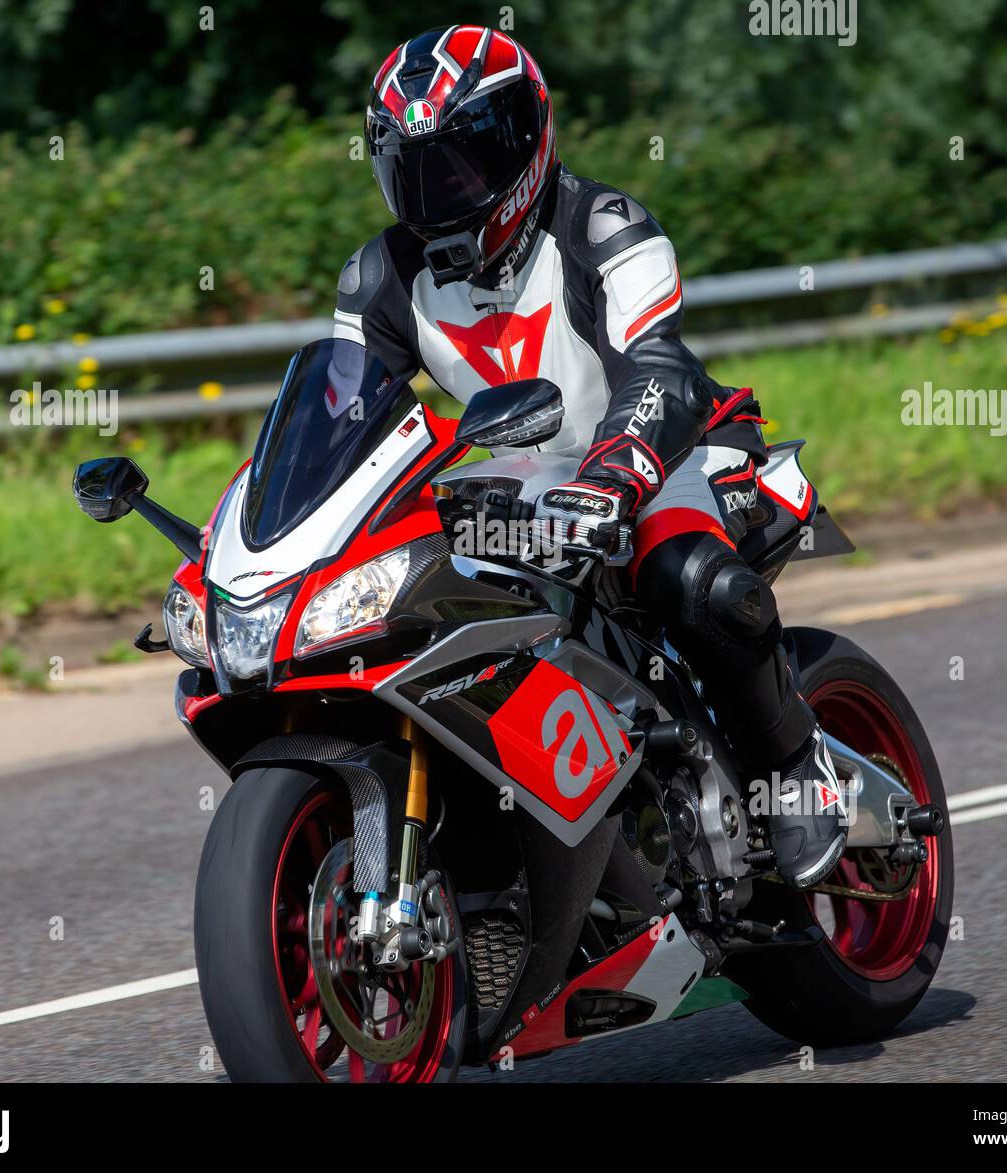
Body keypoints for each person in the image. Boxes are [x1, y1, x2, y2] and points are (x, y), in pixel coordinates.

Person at [333, 25, 844, 888]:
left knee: (689, 578)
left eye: (460, 163)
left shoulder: (602, 226)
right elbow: (348, 422)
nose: (439, 193)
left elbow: (660, 371)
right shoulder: (380, 278)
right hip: (520, 479)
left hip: (669, 448)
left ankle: (794, 771)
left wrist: (612, 475)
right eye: (415, 171)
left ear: (524, 143)